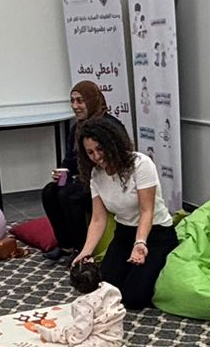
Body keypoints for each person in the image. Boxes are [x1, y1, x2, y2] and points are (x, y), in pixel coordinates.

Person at [70, 115, 176, 310]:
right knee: (106, 287)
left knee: (134, 297)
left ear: (111, 143)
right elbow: (98, 219)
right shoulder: (96, 174)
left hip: (155, 233)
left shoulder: (141, 164)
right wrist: (85, 252)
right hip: (124, 232)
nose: (96, 156)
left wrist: (140, 243)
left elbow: (147, 211)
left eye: (100, 149)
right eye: (90, 152)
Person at [41, 82, 108, 259]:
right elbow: (69, 162)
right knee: (50, 191)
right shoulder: (76, 128)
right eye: (72, 101)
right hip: (82, 180)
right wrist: (61, 174)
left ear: (91, 101)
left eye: (80, 101)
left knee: (69, 195)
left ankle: (81, 249)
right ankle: (65, 246)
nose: (75, 106)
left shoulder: (107, 126)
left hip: (103, 181)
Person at [35, 259, 125, 347]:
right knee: (69, 330)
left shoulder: (83, 304)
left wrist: (75, 341)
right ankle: (53, 335)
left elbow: (83, 329)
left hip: (108, 340)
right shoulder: (109, 288)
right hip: (110, 331)